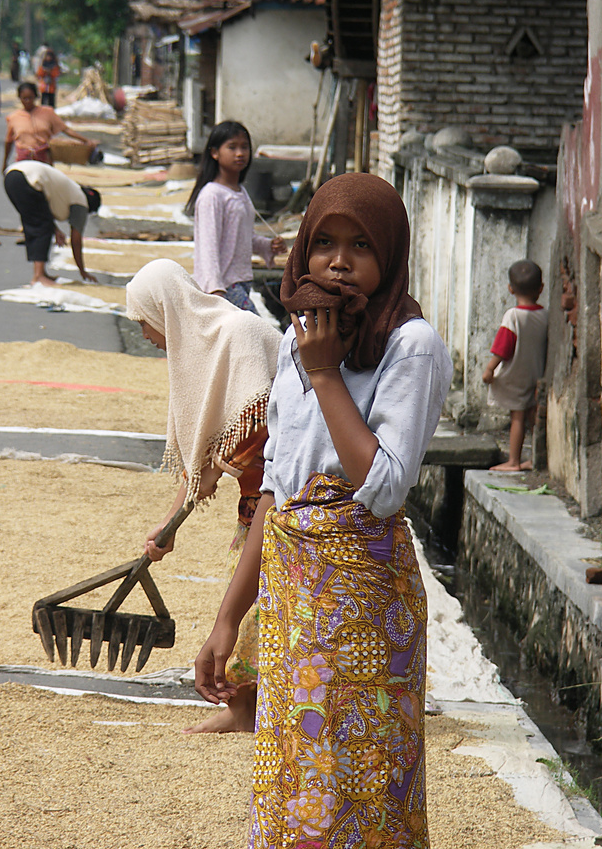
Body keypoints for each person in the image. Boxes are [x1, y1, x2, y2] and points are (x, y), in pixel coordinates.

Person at [195, 173, 453, 849]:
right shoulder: (297, 337)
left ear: (390, 257)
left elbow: (385, 487)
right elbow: (276, 492)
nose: (338, 261)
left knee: (364, 777)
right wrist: (228, 619)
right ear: (303, 250)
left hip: (365, 602)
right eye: (325, 243)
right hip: (294, 600)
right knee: (294, 770)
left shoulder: (411, 346)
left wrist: (325, 373)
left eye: (361, 245)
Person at [125, 258, 282, 733]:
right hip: (260, 495)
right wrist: (168, 526)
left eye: (143, 322)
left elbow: (264, 411)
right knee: (263, 597)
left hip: (292, 489)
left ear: (165, 309)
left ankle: (245, 709)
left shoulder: (237, 332)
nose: (145, 335)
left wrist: (223, 467)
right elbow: (202, 455)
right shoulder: (200, 355)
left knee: (263, 599)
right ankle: (249, 707)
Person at [186, 121, 286, 314]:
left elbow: (242, 237)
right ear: (215, 153)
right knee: (253, 331)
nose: (240, 153)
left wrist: (267, 246)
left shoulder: (240, 192)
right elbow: (208, 246)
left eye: (244, 147)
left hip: (240, 281)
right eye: (232, 147)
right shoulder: (212, 196)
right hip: (224, 284)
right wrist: (215, 288)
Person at [482, 259, 548, 472]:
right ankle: (535, 458)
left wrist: (490, 369)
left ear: (510, 289)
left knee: (517, 418)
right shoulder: (545, 315)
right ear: (541, 288)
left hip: (516, 374)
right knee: (533, 418)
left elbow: (503, 348)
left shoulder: (513, 316)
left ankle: (513, 461)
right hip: (537, 372)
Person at [3, 159, 100, 287]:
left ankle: (41, 272)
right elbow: (76, 240)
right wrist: (82, 271)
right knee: (40, 227)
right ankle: (38, 276)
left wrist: (56, 230)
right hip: (27, 179)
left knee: (36, 222)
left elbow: (43, 210)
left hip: (11, 176)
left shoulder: (71, 190)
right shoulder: (81, 202)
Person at [2, 82, 101, 172]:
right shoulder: (13, 117)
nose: (27, 101)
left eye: (30, 98)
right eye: (24, 98)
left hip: (43, 158)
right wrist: (5, 162)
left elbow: (65, 129)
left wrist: (86, 140)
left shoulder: (47, 113)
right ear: (19, 98)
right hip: (23, 160)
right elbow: (9, 141)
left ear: (36, 97)